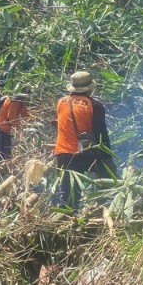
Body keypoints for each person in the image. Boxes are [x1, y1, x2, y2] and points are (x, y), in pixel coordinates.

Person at [54, 71, 114, 208]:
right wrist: (107, 156)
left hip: (63, 153)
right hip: (85, 152)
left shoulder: (61, 102)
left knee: (68, 195)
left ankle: (65, 221)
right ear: (90, 88)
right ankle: (101, 207)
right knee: (108, 179)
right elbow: (101, 133)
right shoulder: (94, 105)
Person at [0, 92, 31, 175]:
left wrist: (32, 119)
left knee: (6, 153)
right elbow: (12, 118)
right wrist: (20, 128)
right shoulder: (14, 102)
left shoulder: (20, 103)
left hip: (5, 131)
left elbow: (25, 114)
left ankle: (4, 173)